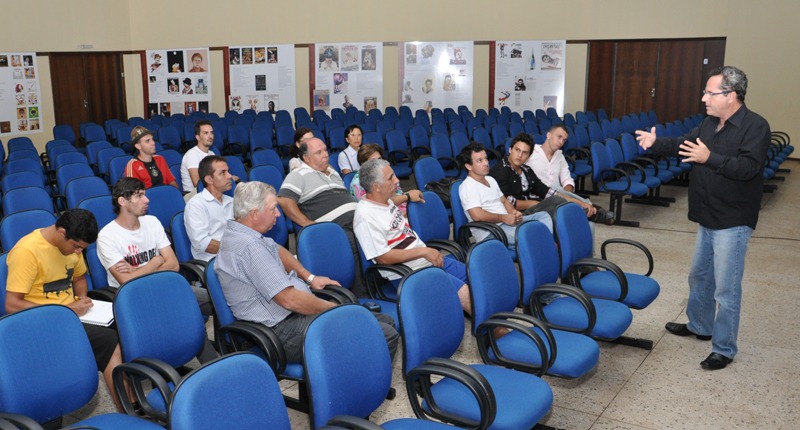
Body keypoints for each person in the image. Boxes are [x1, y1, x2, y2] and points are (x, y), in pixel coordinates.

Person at [636, 66, 770, 371]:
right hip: (707, 215)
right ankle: (699, 325)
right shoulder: (709, 123)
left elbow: (748, 168)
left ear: (731, 95)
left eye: (710, 92)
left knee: (726, 289)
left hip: (733, 219)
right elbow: (684, 144)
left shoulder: (756, 126)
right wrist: (656, 143)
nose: (704, 98)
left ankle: (724, 348)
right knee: (699, 277)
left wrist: (710, 158)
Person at [216, 181, 399, 363]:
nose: (278, 214)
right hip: (282, 330)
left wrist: (309, 277)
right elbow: (291, 300)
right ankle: (353, 380)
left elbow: (276, 249)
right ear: (254, 214)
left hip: (291, 316)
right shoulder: (250, 247)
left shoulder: (240, 233)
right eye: (273, 209)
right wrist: (335, 309)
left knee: (384, 321)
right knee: (384, 333)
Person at [5, 209, 126, 412]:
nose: (78, 252)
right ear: (61, 232)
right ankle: (129, 409)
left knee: (126, 326)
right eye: (76, 247)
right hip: (41, 321)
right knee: (108, 340)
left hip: (71, 314)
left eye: (82, 249)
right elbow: (12, 304)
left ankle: (133, 396)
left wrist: (82, 297)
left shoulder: (72, 249)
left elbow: (79, 278)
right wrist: (64, 310)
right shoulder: (27, 251)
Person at [354, 159, 472, 315]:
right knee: (465, 293)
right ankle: (491, 328)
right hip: (406, 272)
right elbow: (383, 258)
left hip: (423, 259)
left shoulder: (384, 200)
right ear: (376, 186)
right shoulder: (365, 217)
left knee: (475, 276)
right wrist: (424, 252)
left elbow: (391, 202)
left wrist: (408, 196)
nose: (397, 180)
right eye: (390, 178)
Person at [96, 178, 212, 317]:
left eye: (144, 194)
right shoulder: (107, 236)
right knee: (179, 313)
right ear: (122, 201)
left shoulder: (152, 222)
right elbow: (126, 281)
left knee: (218, 300)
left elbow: (174, 265)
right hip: (135, 296)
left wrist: (137, 271)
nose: (146, 200)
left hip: (164, 285)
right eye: (139, 196)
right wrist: (156, 261)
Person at [277, 138, 363, 292]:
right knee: (353, 240)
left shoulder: (334, 173)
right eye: (318, 152)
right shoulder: (298, 174)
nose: (325, 154)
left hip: (357, 221)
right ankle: (361, 294)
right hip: (336, 229)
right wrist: (307, 223)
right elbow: (284, 200)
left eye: (325, 150)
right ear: (306, 158)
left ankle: (383, 281)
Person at [491, 133, 614, 225]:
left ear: (528, 156)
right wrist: (537, 204)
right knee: (556, 203)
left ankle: (587, 208)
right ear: (510, 150)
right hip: (518, 213)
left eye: (524, 153)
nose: (519, 155)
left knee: (556, 196)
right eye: (517, 150)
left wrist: (579, 202)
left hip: (533, 206)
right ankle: (592, 213)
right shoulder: (500, 171)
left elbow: (546, 191)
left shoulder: (526, 170)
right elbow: (508, 202)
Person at [457, 142, 552, 251]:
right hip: (491, 231)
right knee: (529, 236)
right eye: (480, 161)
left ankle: (547, 244)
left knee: (544, 216)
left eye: (486, 158)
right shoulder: (468, 186)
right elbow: (476, 215)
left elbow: (504, 201)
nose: (486, 163)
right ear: (468, 166)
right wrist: (504, 218)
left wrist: (513, 212)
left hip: (507, 222)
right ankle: (547, 247)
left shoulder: (490, 179)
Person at [527, 125, 614, 225]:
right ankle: (593, 209)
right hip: (538, 197)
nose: (561, 142)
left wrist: (566, 197)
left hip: (557, 196)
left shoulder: (560, 156)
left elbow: (567, 179)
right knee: (554, 188)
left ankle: (588, 208)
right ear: (548, 135)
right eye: (559, 137)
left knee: (558, 191)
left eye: (564, 140)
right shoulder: (531, 153)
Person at [350, 144, 424, 216]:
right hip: (385, 214)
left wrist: (408, 198)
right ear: (363, 164)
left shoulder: (385, 171)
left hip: (401, 205)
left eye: (379, 159)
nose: (379, 163)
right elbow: (376, 208)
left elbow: (398, 192)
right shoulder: (358, 183)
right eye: (373, 161)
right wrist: (407, 197)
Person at [185, 156, 234, 261]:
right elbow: (203, 243)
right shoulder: (196, 205)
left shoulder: (231, 201)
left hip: (233, 255)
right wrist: (234, 249)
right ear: (209, 179)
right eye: (223, 173)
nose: (229, 176)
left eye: (228, 171)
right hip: (213, 260)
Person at [180, 120, 216, 196]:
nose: (210, 136)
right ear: (198, 137)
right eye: (206, 133)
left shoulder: (212, 153)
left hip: (210, 190)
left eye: (211, 133)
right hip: (194, 195)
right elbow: (198, 183)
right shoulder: (192, 154)